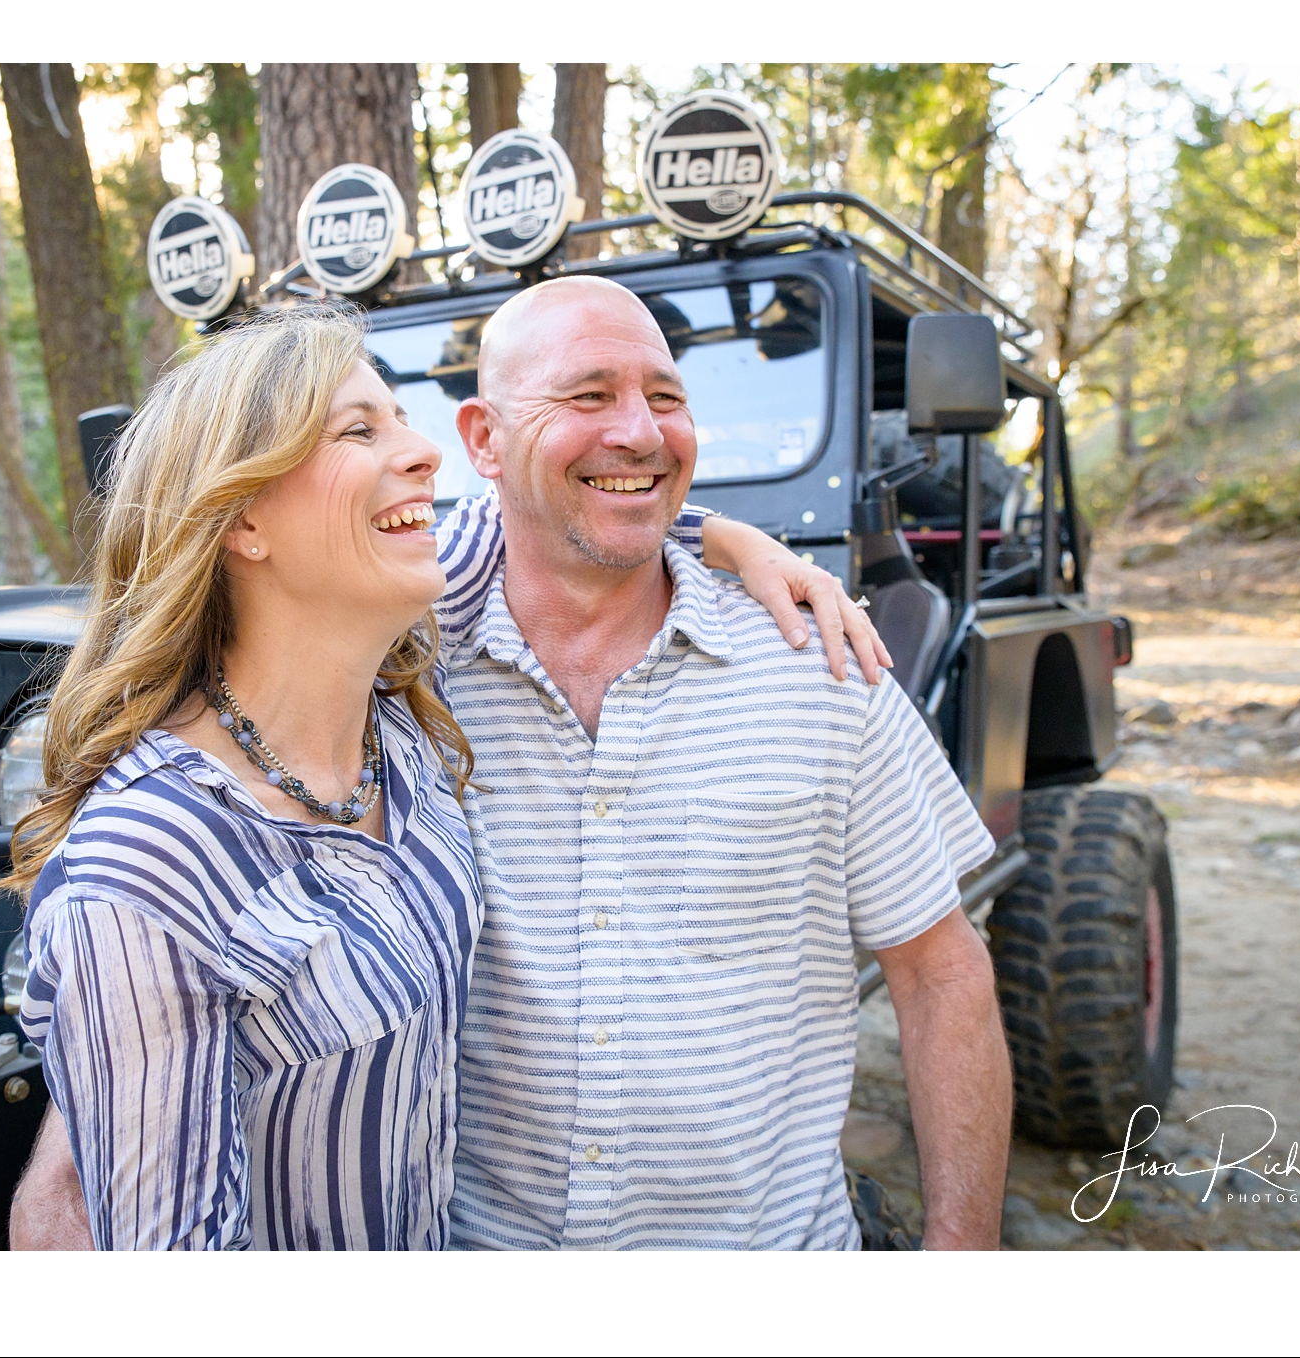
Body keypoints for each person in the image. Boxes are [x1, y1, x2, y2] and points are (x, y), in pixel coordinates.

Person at [4, 300, 887, 1250]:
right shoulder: (148, 867)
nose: (426, 452)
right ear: (245, 517)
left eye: (402, 417)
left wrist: (725, 537)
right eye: (358, 428)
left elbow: (580, 505)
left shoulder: (404, 733)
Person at [432, 277, 1009, 1249]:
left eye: (665, 397)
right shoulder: (391, 679)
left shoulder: (821, 662)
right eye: (588, 396)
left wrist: (959, 1262)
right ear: (482, 439)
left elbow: (940, 976)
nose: (642, 433)